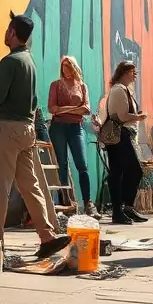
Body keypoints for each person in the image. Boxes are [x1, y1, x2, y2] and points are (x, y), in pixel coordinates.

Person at [0, 12, 70, 258]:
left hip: (8, 128)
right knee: (30, 185)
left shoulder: (10, 62)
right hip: (27, 129)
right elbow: (33, 100)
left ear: (12, 32)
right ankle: (47, 236)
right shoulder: (29, 61)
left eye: (7, 28)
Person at [47, 56, 99, 217]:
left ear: (75, 68)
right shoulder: (55, 85)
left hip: (76, 128)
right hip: (58, 128)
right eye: (63, 67)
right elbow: (52, 108)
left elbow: (87, 109)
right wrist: (74, 109)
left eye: (69, 67)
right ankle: (65, 203)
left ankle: (88, 203)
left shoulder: (82, 86)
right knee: (62, 164)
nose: (66, 70)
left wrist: (65, 109)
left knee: (82, 165)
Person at [105, 62, 149, 224]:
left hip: (126, 135)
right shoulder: (118, 90)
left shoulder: (125, 90)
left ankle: (126, 208)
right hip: (119, 136)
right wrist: (138, 117)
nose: (135, 74)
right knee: (126, 172)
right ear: (124, 72)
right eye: (132, 71)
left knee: (125, 172)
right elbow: (122, 116)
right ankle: (119, 210)